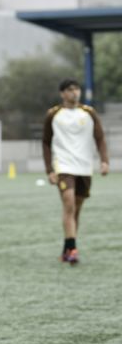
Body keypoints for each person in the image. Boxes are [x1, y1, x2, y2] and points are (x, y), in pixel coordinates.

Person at [43, 79, 109, 265]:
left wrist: (104, 160)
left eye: (77, 89)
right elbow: (46, 142)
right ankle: (72, 250)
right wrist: (50, 169)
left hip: (84, 166)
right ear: (62, 93)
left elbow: (100, 138)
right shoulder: (54, 114)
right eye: (70, 89)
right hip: (63, 165)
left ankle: (67, 248)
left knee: (76, 209)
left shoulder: (89, 113)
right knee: (69, 202)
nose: (74, 92)